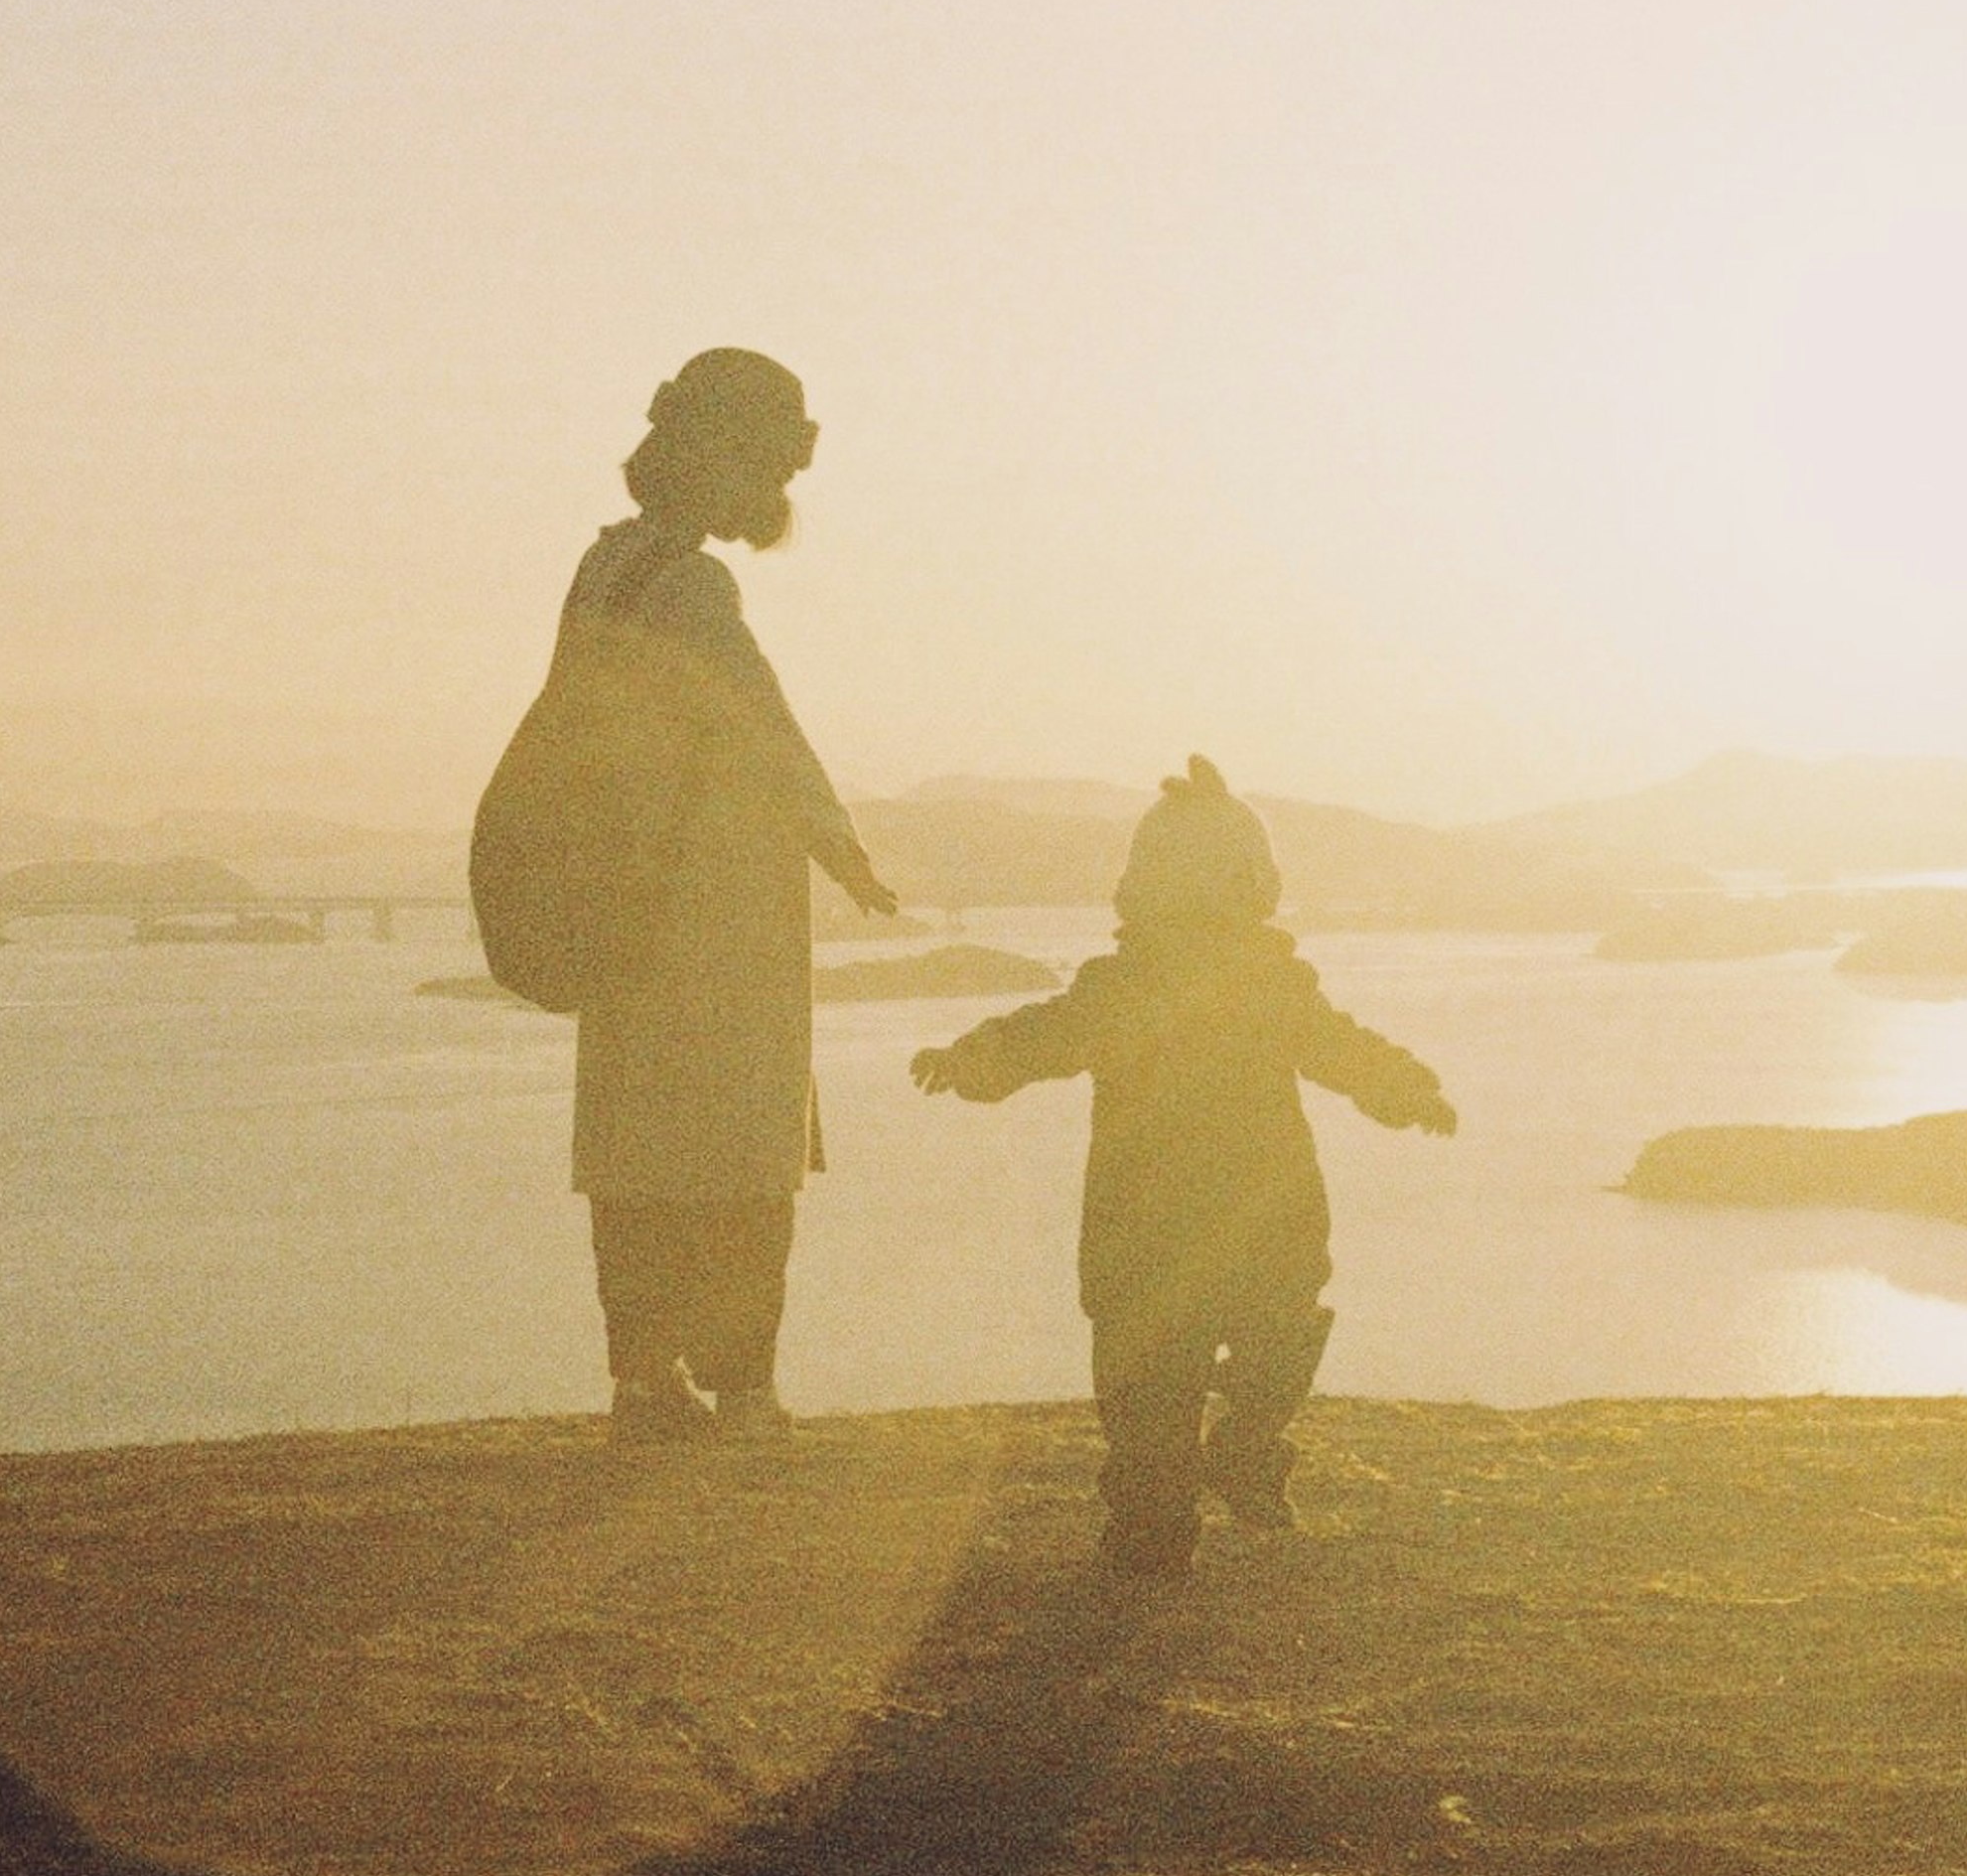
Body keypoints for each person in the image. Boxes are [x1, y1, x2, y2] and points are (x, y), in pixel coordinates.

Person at [911, 758, 1455, 1576]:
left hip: (1165, 1228)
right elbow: (1340, 1050)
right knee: (1241, 1354)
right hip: (1243, 1217)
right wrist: (1407, 1088)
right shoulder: (1208, 984)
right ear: (1256, 882)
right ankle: (1198, 1486)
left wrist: (973, 1058)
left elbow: (1043, 1035)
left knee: (1161, 1387)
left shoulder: (1195, 985)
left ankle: (1181, 1500)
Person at [564, 349, 898, 1445]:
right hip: (715, 910)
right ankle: (745, 1387)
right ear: (728, 462)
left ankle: (643, 1379)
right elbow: (755, 721)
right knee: (744, 1155)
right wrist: (842, 847)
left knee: (637, 1155)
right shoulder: (690, 584)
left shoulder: (603, 569)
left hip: (623, 893)